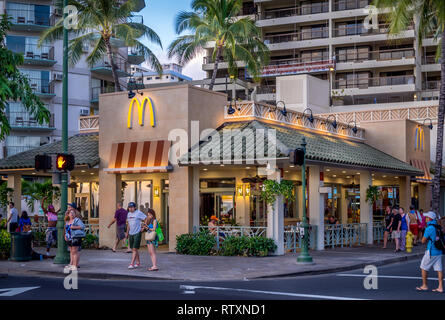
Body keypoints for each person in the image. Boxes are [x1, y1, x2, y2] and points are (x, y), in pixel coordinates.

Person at [416, 211, 443, 293]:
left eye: (427, 217)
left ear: (430, 218)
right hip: (439, 250)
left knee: (423, 267)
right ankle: (440, 287)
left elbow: (423, 241)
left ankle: (424, 285)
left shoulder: (429, 228)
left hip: (431, 251)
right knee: (439, 269)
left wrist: (424, 234)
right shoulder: (438, 226)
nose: (426, 218)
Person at [125, 202, 146, 269]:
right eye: (129, 207)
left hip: (137, 233)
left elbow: (146, 218)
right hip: (131, 233)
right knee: (134, 249)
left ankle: (131, 264)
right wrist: (127, 233)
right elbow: (128, 224)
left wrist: (143, 227)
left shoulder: (138, 213)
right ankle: (138, 262)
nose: (130, 209)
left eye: (132, 207)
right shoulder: (128, 214)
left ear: (135, 207)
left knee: (134, 249)